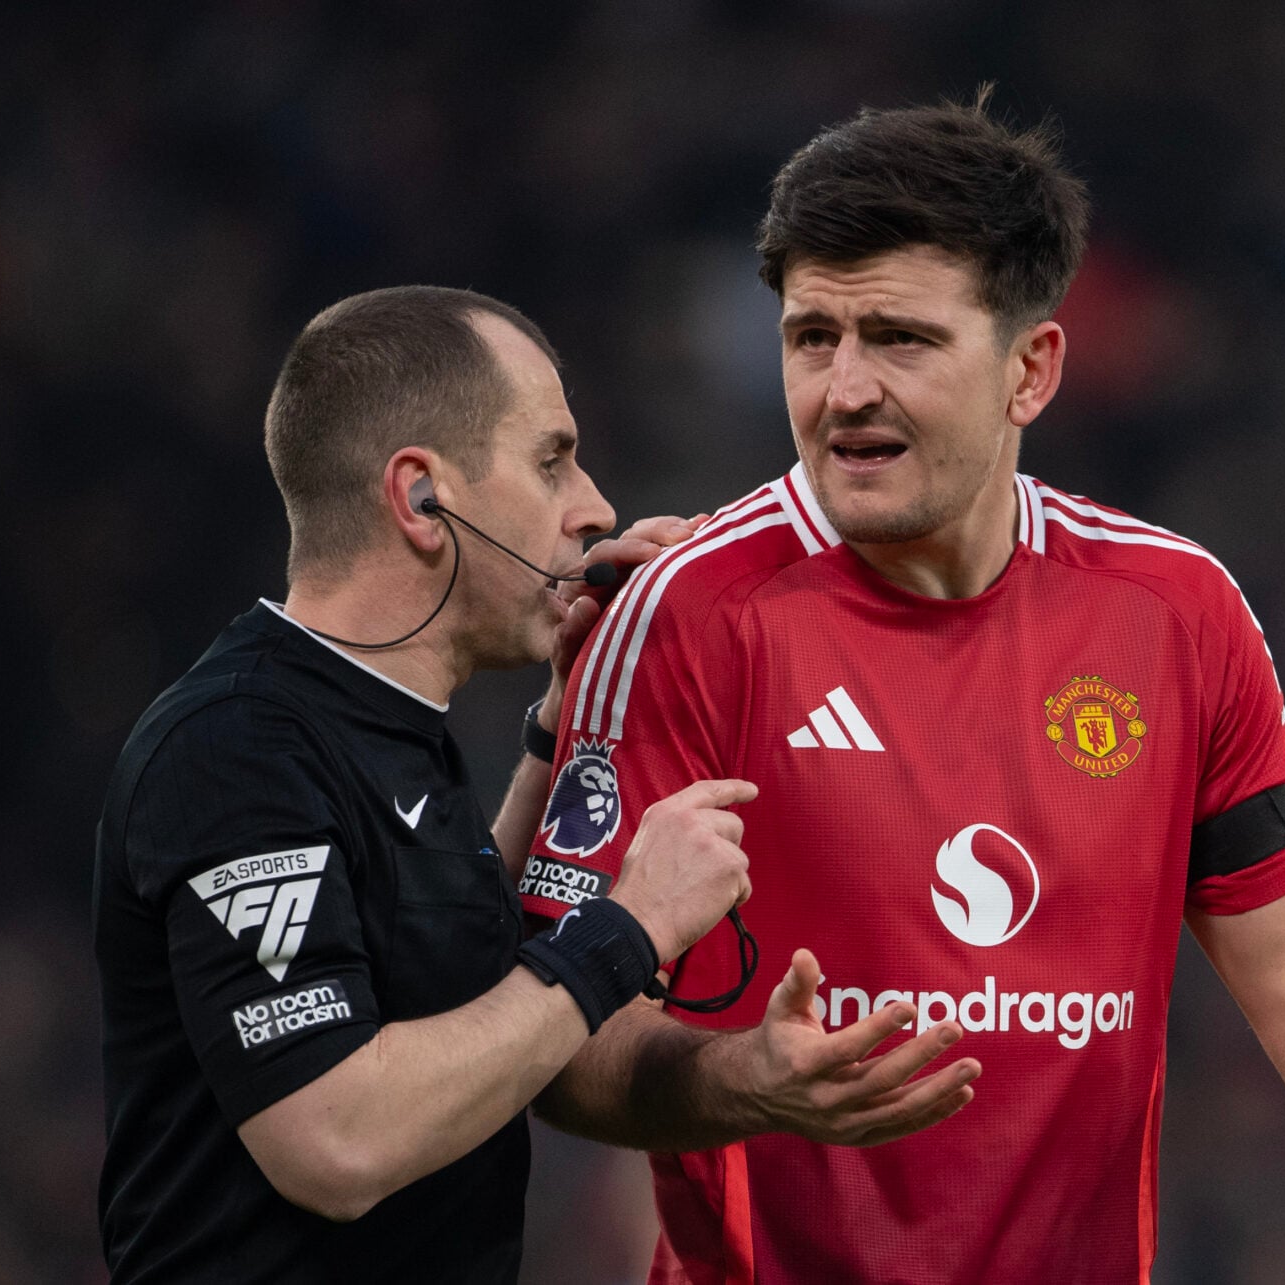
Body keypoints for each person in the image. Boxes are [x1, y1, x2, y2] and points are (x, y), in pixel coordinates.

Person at [519, 98, 1285, 1281]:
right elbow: (556, 1041)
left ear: (1031, 370)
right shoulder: (684, 614)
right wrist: (745, 1079)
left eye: (900, 339)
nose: (843, 390)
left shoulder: (1175, 613)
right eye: (812, 337)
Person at [92, 287, 966, 1283]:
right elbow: (335, 1138)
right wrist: (628, 927)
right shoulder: (236, 748)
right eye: (552, 459)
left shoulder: (379, 727)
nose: (594, 506)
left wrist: (559, 727)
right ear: (422, 499)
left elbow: (452, 972)